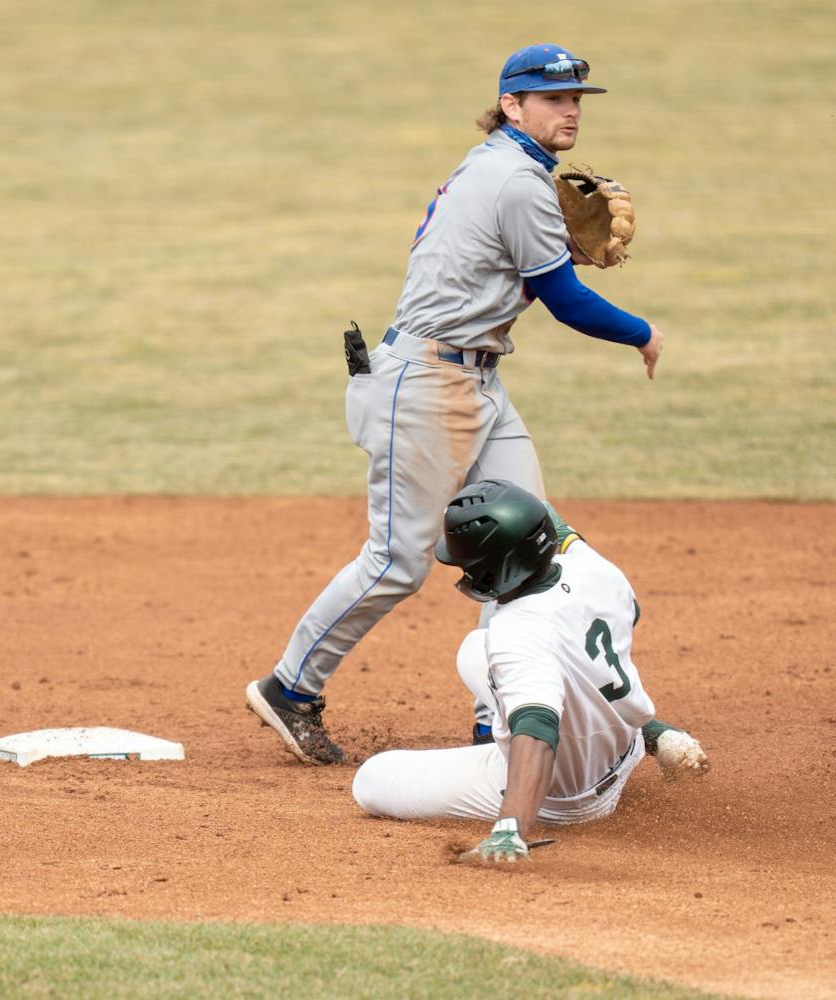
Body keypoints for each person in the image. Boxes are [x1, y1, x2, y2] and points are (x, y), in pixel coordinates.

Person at [247, 43, 667, 764]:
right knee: (395, 563)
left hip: (475, 381)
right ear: (512, 105)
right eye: (553, 98)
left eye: (576, 99)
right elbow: (564, 300)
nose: (569, 110)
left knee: (529, 546)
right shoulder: (516, 182)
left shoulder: (505, 168)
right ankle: (291, 687)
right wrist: (642, 333)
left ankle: (494, 721)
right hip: (428, 385)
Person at [349, 480, 708, 862]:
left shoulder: (517, 632)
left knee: (371, 780)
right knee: (473, 649)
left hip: (568, 799)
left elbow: (537, 732)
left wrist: (510, 829)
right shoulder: (595, 567)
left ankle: (533, 806)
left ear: (491, 571)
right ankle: (652, 734)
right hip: (620, 747)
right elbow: (617, 600)